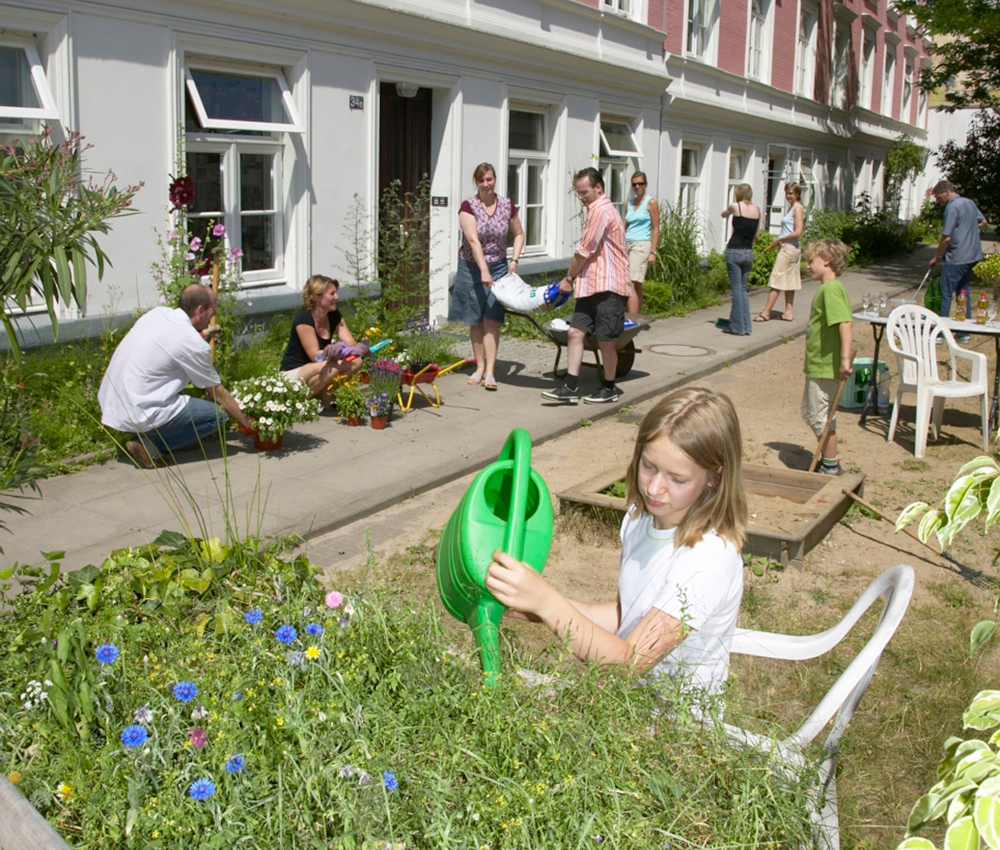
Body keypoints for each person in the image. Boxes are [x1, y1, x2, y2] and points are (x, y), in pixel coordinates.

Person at [486, 387, 748, 697]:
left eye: (677, 479)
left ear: (715, 477)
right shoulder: (640, 519)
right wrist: (530, 603)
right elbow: (626, 617)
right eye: (648, 466)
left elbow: (628, 664)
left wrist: (546, 602)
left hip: (673, 720)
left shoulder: (708, 558)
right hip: (624, 701)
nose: (654, 488)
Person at [99, 283, 253, 469]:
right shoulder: (192, 343)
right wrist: (246, 422)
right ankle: (153, 446)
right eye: (213, 309)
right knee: (218, 416)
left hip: (114, 401)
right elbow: (216, 392)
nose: (215, 314)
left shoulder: (157, 314)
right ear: (200, 310)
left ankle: (149, 434)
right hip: (141, 408)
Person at [541, 167, 631, 405]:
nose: (580, 197)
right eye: (578, 193)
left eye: (584, 192)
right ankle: (570, 387)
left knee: (605, 340)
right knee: (575, 332)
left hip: (609, 285)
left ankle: (609, 388)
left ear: (598, 188)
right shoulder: (595, 210)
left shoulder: (601, 210)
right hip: (591, 284)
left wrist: (568, 278)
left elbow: (584, 251)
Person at [449, 162, 525, 392]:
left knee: (491, 319)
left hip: (499, 267)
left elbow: (519, 233)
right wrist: (483, 269)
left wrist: (514, 260)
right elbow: (473, 241)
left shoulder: (506, 205)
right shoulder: (468, 206)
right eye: (481, 180)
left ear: (495, 180)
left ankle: (490, 371)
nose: (486, 184)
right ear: (477, 182)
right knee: (475, 319)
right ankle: (479, 367)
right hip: (471, 267)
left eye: (489, 179)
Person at [801, 239, 853, 476]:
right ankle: (828, 459)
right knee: (811, 412)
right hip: (817, 364)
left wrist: (844, 359)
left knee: (820, 416)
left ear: (826, 260)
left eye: (811, 261)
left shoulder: (831, 290)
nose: (807, 266)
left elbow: (844, 323)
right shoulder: (829, 288)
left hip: (824, 366)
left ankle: (830, 465)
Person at [279, 275, 366, 407]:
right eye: (332, 293)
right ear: (317, 296)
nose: (337, 297)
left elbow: (351, 342)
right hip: (295, 371)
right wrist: (337, 352)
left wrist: (343, 347)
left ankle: (324, 394)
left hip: (320, 368)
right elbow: (315, 356)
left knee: (356, 361)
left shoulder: (333, 315)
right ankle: (297, 402)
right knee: (332, 368)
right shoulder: (303, 319)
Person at [929, 180, 988, 344]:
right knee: (963, 292)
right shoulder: (969, 203)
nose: (938, 201)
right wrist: (970, 230)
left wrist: (936, 256)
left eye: (938, 197)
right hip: (973, 255)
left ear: (946, 192)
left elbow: (946, 237)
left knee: (945, 292)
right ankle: (964, 333)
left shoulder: (952, 207)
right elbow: (983, 221)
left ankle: (940, 333)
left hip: (957, 257)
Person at [755, 182, 805, 323]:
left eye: (791, 193)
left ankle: (766, 313)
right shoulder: (793, 208)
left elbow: (798, 232)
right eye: (787, 193)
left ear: (797, 194)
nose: (788, 196)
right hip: (790, 247)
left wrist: (780, 239)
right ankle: (788, 312)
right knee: (789, 280)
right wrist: (780, 241)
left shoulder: (798, 209)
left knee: (776, 280)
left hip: (789, 249)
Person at [720, 183, 761, 336]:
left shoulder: (735, 206)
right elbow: (756, 235)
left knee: (736, 291)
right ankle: (746, 326)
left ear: (738, 193)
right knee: (743, 290)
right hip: (748, 252)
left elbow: (723, 214)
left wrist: (727, 213)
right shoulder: (757, 210)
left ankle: (737, 327)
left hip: (734, 250)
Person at [623, 171, 660, 315]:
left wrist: (653, 252)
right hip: (627, 244)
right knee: (636, 283)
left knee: (631, 282)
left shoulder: (651, 202)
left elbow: (656, 228)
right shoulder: (629, 203)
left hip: (641, 244)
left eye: (641, 183)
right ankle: (637, 316)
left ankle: (632, 319)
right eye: (634, 184)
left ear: (646, 185)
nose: (637, 186)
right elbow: (624, 225)